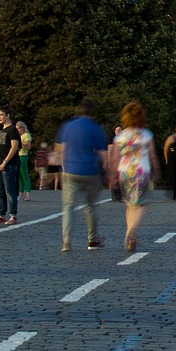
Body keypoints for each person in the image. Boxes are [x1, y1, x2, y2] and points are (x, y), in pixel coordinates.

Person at [56, 98, 111, 252]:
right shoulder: (95, 128)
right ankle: (92, 240)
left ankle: (66, 241)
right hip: (90, 171)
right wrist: (108, 172)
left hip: (70, 170)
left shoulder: (67, 126)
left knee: (68, 206)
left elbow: (60, 149)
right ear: (93, 113)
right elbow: (103, 154)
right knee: (90, 207)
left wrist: (63, 167)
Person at [114, 102, 160, 252]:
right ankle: (132, 231)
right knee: (140, 204)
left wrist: (111, 174)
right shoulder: (146, 135)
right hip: (141, 172)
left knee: (129, 204)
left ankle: (129, 232)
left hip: (125, 172)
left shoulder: (121, 136)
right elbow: (152, 155)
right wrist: (156, 169)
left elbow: (114, 157)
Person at [0, 108, 20, 226]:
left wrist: (5, 162)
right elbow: (0, 149)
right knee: (0, 191)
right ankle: (1, 214)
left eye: (1, 115)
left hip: (9, 165)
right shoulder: (2, 131)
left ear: (8, 115)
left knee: (9, 190)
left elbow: (14, 147)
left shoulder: (13, 130)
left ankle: (13, 215)